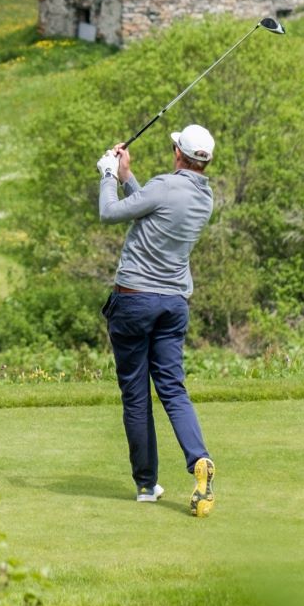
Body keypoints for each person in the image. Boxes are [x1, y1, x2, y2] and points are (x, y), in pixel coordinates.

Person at [98, 124, 217, 514]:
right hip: (173, 305)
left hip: (134, 302)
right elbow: (151, 209)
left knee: (136, 394)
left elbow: (110, 212)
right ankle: (198, 457)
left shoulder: (165, 185)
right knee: (172, 388)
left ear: (178, 154)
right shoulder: (204, 196)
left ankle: (147, 484)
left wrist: (107, 176)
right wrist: (128, 177)